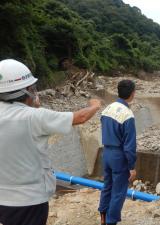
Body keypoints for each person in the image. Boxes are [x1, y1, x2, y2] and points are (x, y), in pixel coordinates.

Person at [0, 59, 101, 225]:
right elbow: (80, 117)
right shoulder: (35, 117)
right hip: (29, 200)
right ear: (27, 90)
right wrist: (95, 105)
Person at [98, 80, 137, 225]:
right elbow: (129, 145)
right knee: (119, 191)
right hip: (118, 156)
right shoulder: (127, 115)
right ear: (132, 93)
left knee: (107, 186)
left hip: (106, 153)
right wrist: (132, 167)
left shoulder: (107, 109)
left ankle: (103, 215)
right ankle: (111, 221)